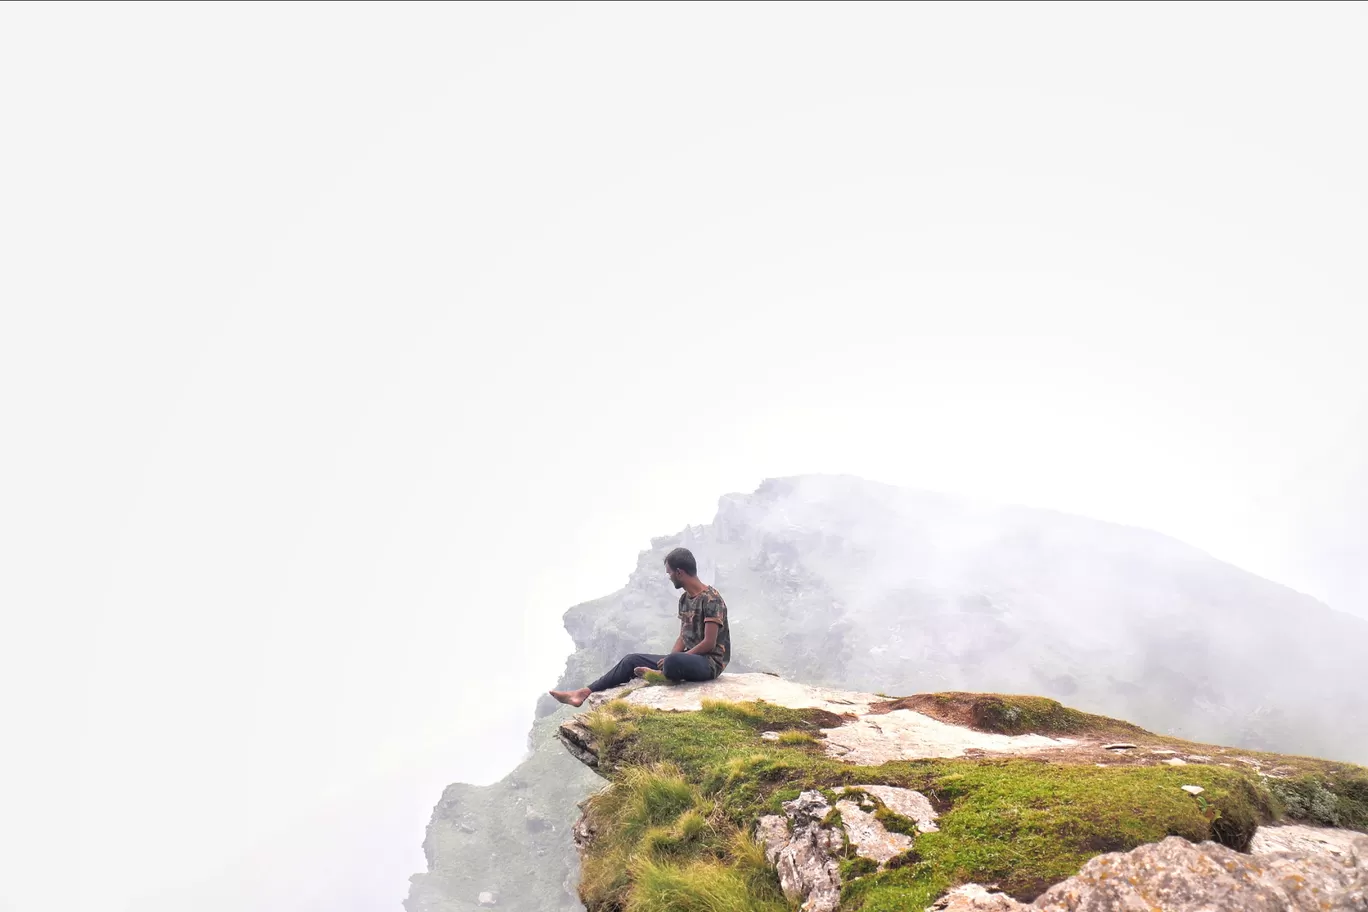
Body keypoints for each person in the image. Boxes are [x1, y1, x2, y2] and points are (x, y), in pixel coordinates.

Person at [549, 547, 731, 707]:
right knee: (631, 660)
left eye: (669, 573)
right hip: (689, 658)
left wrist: (674, 659)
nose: (669, 577)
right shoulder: (685, 599)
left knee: (673, 661)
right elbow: (683, 636)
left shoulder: (711, 599)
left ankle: (661, 674)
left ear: (680, 572)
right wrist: (671, 656)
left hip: (709, 664)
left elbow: (708, 643)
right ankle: (583, 693)